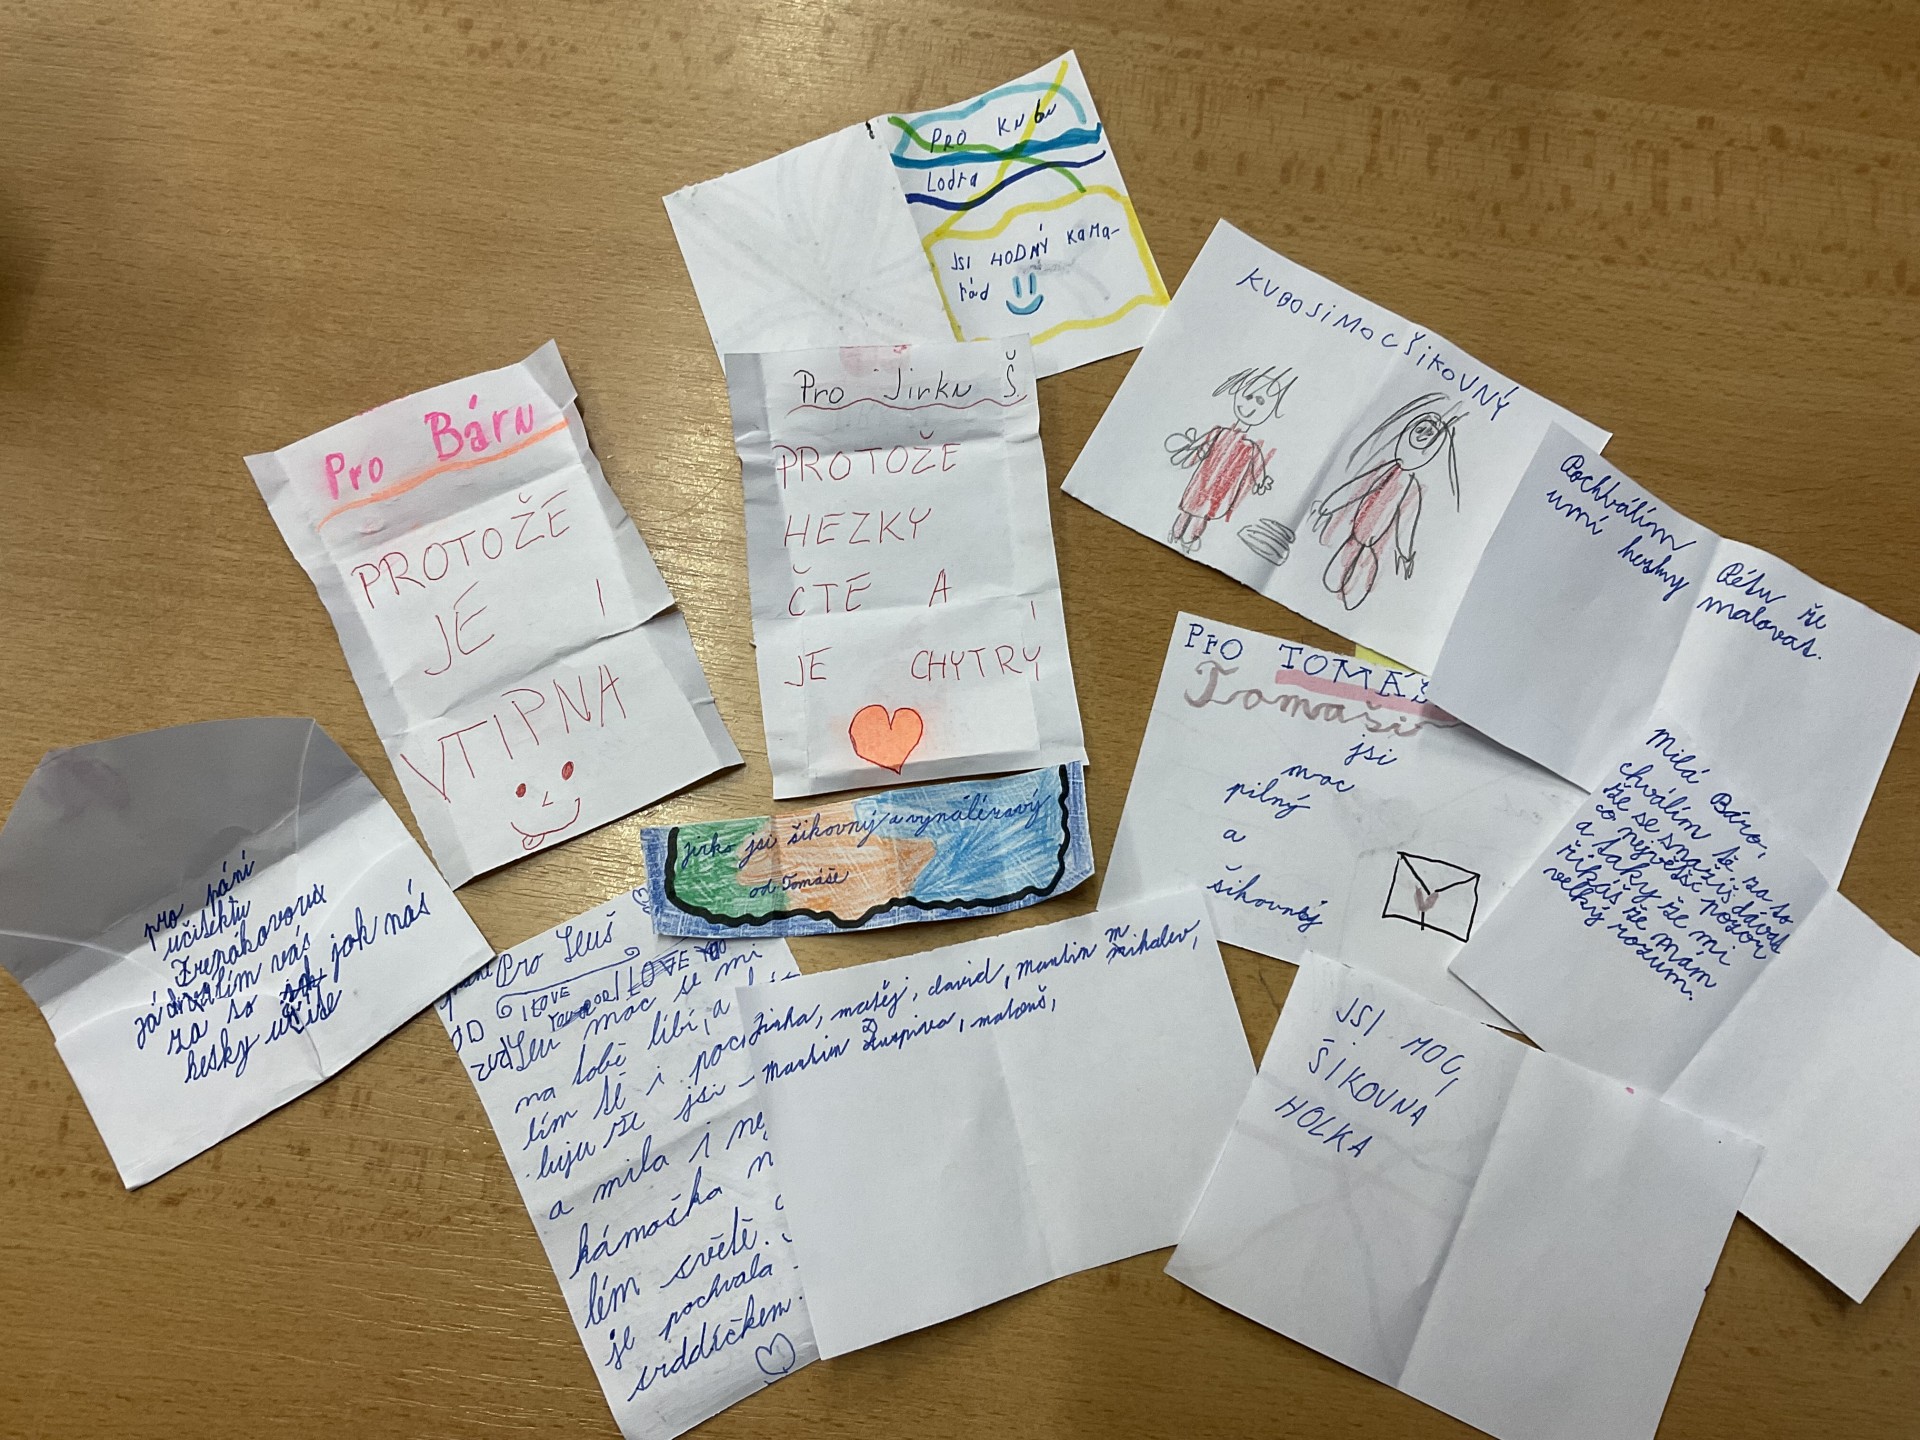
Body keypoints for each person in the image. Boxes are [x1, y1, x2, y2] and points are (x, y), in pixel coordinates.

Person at [1312, 393, 1461, 610]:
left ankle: (1350, 594)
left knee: (1361, 572)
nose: (1423, 436)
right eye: (1421, 429)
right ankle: (1336, 590)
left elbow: (1406, 522)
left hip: (1376, 540)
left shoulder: (1413, 488)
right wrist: (1330, 506)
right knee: (1339, 565)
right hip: (1355, 529)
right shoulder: (1383, 468)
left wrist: (1405, 552)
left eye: (1431, 435)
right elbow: (1356, 490)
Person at [1164, 365, 1293, 553]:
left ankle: (1190, 539)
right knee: (1188, 509)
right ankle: (1176, 535)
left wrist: (1261, 482)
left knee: (1203, 515)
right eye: (1248, 396)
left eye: (1260, 402)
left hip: (1220, 489)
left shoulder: (1252, 447)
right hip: (1201, 481)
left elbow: (1253, 474)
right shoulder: (1219, 432)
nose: (1250, 405)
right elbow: (1199, 451)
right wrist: (1191, 450)